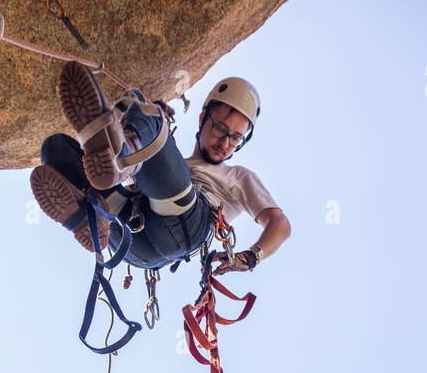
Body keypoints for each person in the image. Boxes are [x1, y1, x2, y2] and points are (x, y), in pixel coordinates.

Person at [30, 62, 291, 279]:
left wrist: (252, 256)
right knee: (55, 148)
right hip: (133, 241)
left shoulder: (238, 176)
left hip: (188, 224)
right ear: (203, 119)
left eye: (235, 138)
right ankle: (89, 217)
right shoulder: (175, 166)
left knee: (153, 117)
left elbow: (279, 224)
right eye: (221, 129)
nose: (225, 143)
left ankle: (121, 160)